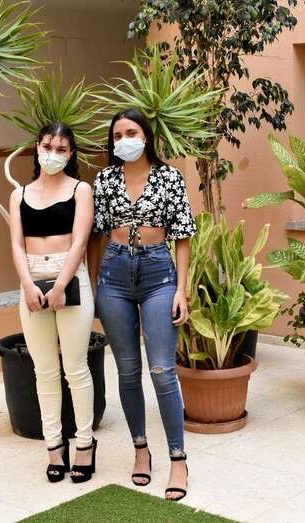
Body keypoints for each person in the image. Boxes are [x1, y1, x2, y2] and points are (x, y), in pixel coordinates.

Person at [92, 108, 196, 501]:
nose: (124, 141)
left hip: (158, 275)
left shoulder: (170, 177)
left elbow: (182, 236)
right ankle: (140, 449)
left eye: (131, 132)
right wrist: (95, 285)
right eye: (117, 135)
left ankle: (178, 459)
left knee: (163, 371)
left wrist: (181, 290)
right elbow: (96, 236)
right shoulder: (105, 180)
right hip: (114, 275)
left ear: (147, 136)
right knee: (127, 370)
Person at [9, 122, 97, 483]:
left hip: (70, 278)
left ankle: (85, 444)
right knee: (44, 370)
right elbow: (16, 244)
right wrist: (27, 284)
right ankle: (53, 446)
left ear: (71, 153)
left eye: (61, 149)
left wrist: (61, 285)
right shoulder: (19, 194)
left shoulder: (80, 190)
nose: (53, 154)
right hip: (31, 281)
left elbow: (80, 242)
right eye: (48, 146)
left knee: (75, 368)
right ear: (37, 147)